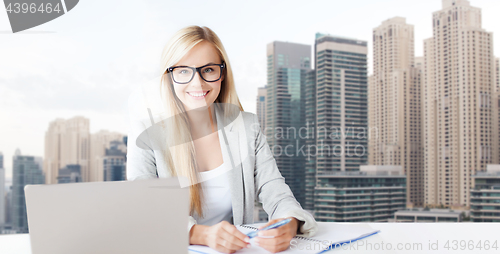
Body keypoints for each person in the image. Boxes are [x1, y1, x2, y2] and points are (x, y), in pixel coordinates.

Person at [126, 26, 317, 253]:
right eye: (184, 71)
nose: (197, 83)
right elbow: (144, 208)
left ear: (222, 73)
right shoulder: (147, 132)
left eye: (208, 69)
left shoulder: (247, 127)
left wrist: (289, 223)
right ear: (169, 78)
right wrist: (202, 235)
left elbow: (275, 191)